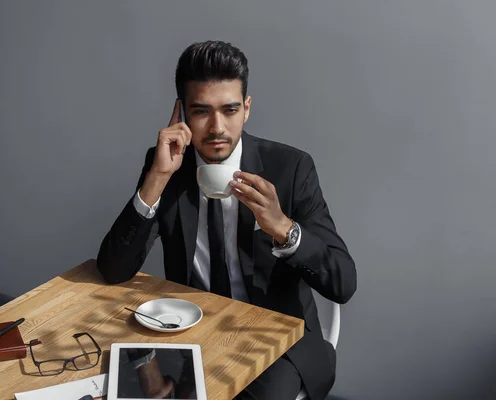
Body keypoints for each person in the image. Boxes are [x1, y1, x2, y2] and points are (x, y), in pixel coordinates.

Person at [97, 40, 357, 400]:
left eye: (230, 109)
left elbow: (343, 282)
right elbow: (113, 269)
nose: (217, 127)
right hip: (197, 338)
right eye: (201, 111)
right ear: (182, 113)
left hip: (281, 345)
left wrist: (283, 227)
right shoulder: (168, 164)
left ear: (246, 109)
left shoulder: (291, 169)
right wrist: (156, 178)